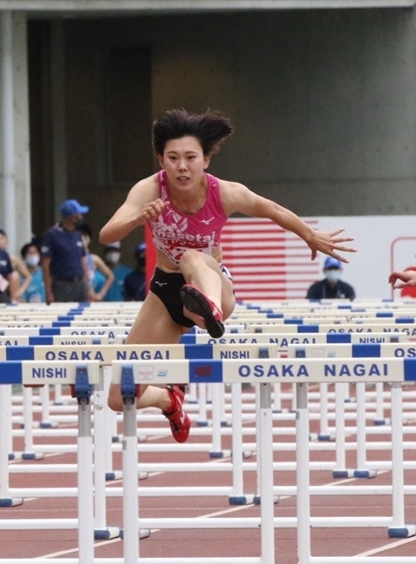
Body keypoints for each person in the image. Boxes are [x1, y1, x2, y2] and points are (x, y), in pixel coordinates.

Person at [99, 108, 354, 443]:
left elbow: (272, 209)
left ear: (205, 160)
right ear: (161, 160)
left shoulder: (225, 193)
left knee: (193, 257)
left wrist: (309, 235)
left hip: (213, 283)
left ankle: (209, 307)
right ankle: (168, 398)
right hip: (166, 291)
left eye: (190, 157)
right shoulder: (149, 190)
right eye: (173, 158)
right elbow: (106, 234)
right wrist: (137, 219)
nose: (182, 166)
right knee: (119, 396)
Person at [41, 199, 92, 303]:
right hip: (62, 284)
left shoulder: (78, 235)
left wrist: (89, 287)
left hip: (80, 283)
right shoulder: (52, 235)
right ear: (71, 216)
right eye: (78, 214)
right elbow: (45, 266)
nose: (81, 217)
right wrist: (49, 292)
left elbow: (83, 262)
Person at [78, 223, 115, 302]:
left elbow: (110, 276)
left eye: (84, 236)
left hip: (93, 300)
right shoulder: (71, 259)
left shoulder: (94, 259)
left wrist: (101, 294)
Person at [0, 228, 32, 301]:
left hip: (13, 293)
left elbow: (28, 277)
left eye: (1, 238)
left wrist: (20, 291)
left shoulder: (12, 259)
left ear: (6, 240)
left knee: (15, 275)